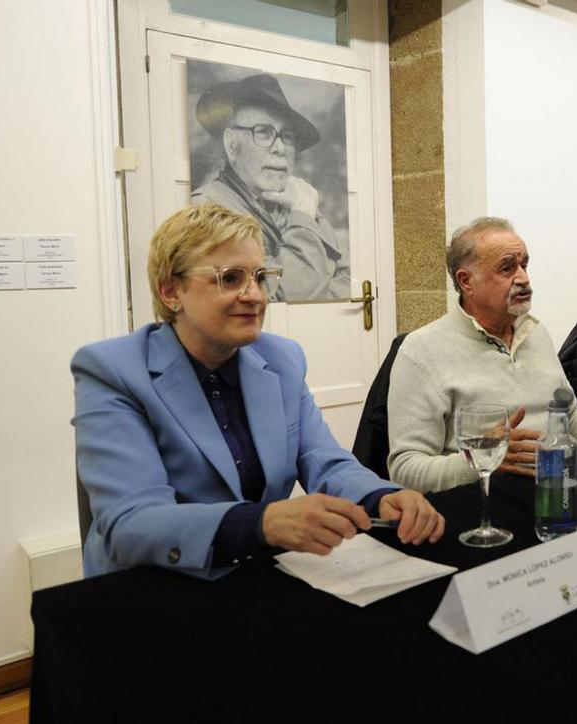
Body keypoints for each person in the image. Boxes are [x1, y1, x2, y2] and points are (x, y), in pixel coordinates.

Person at [71, 204, 442, 579]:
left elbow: (322, 458)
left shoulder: (281, 358)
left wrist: (378, 497)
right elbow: (131, 522)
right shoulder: (112, 370)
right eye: (230, 278)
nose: (255, 295)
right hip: (151, 587)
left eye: (261, 277)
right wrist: (262, 523)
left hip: (254, 572)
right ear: (171, 292)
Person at [386, 217, 577, 492]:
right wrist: (482, 459)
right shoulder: (422, 351)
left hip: (555, 489)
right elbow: (405, 469)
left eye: (524, 264)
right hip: (481, 504)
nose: (523, 278)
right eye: (507, 268)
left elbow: (571, 424)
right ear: (466, 281)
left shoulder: (534, 333)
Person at [191, 72, 348, 301]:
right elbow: (287, 297)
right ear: (232, 145)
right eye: (263, 132)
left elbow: (348, 280)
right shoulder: (206, 211)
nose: (280, 148)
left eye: (287, 136)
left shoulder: (294, 202)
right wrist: (304, 215)